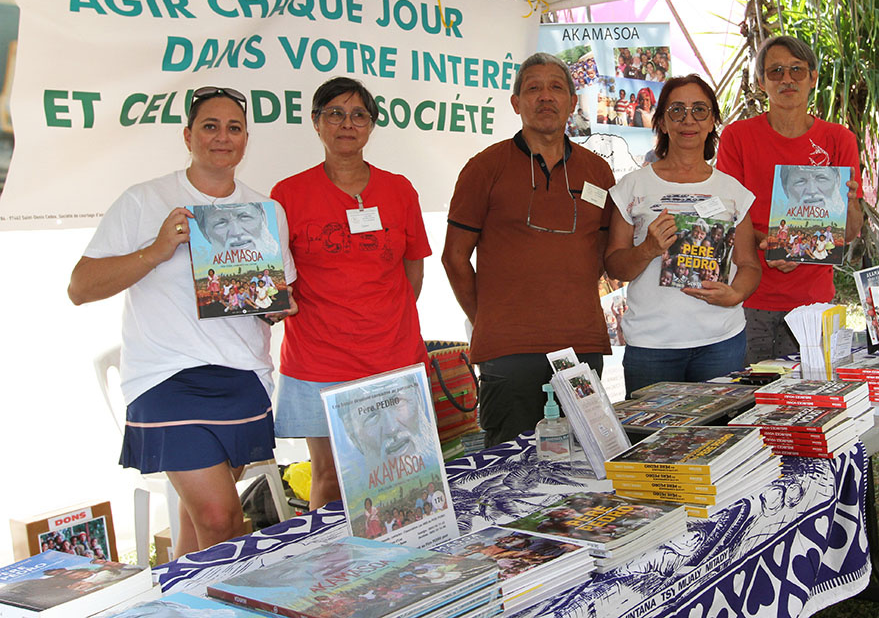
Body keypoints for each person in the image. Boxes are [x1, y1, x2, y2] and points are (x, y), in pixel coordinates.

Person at [67, 86, 296, 556]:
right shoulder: (144, 199)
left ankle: (185, 600)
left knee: (199, 523)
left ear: (246, 141)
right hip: (166, 378)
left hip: (243, 374)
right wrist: (156, 251)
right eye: (210, 126)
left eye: (234, 128)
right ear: (188, 135)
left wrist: (277, 305)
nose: (222, 137)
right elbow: (80, 287)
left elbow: (282, 292)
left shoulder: (265, 210)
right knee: (220, 518)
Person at [271, 77, 432, 510]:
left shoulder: (398, 189)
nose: (347, 124)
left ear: (372, 125)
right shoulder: (287, 194)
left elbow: (412, 265)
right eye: (335, 114)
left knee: (402, 474)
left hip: (392, 358)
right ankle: (336, 570)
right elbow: (275, 278)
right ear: (316, 123)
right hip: (318, 361)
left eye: (359, 114)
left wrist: (385, 318)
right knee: (330, 478)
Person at [443, 53, 616, 447]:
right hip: (508, 353)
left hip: (581, 348)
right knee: (509, 473)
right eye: (533, 88)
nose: (545, 97)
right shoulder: (484, 167)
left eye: (556, 87)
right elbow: (454, 258)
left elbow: (606, 255)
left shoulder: (598, 171)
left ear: (573, 102)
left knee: (585, 462)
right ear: (516, 103)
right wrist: (487, 320)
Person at [605, 74, 761, 396]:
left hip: (721, 342)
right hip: (651, 345)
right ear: (661, 121)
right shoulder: (633, 187)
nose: (688, 120)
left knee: (722, 440)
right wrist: (647, 248)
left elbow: (749, 265)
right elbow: (615, 267)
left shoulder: (733, 192)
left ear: (712, 121)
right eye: (676, 110)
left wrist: (735, 295)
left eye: (699, 110)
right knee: (652, 444)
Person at [715, 35, 862, 363]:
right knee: (751, 401)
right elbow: (728, 217)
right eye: (776, 71)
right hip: (752, 297)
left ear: (813, 78)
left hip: (815, 304)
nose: (787, 79)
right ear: (760, 81)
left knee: (815, 400)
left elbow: (849, 232)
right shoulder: (737, 137)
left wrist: (850, 203)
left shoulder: (839, 139)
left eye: (797, 70)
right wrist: (771, 243)